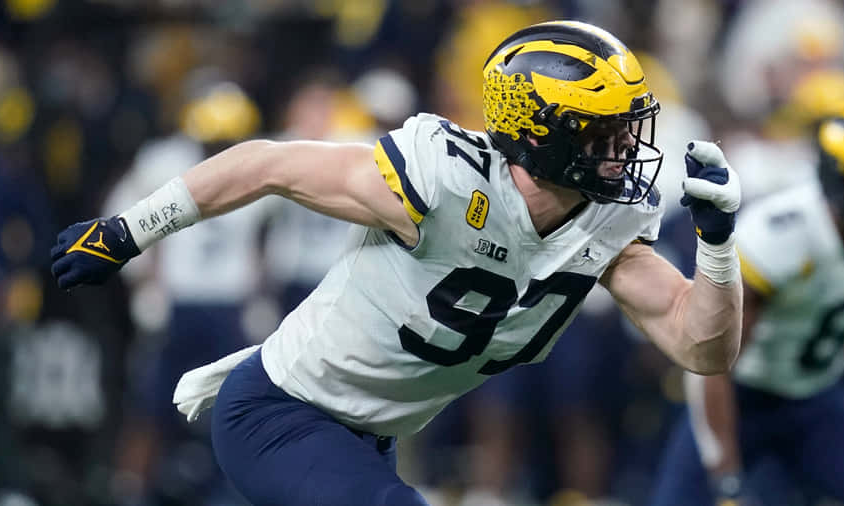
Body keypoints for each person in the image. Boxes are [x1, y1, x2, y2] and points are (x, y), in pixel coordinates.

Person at [50, 21, 743, 506]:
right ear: (540, 132)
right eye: (605, 130)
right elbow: (268, 164)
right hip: (281, 412)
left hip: (365, 436)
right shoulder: (443, 179)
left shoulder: (608, 220)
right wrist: (127, 231)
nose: (626, 149)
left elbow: (700, 345)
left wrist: (717, 249)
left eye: (629, 127)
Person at [649, 104, 844, 506]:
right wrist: (725, 475)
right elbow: (712, 360)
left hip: (815, 396)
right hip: (741, 398)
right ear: (838, 182)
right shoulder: (786, 233)